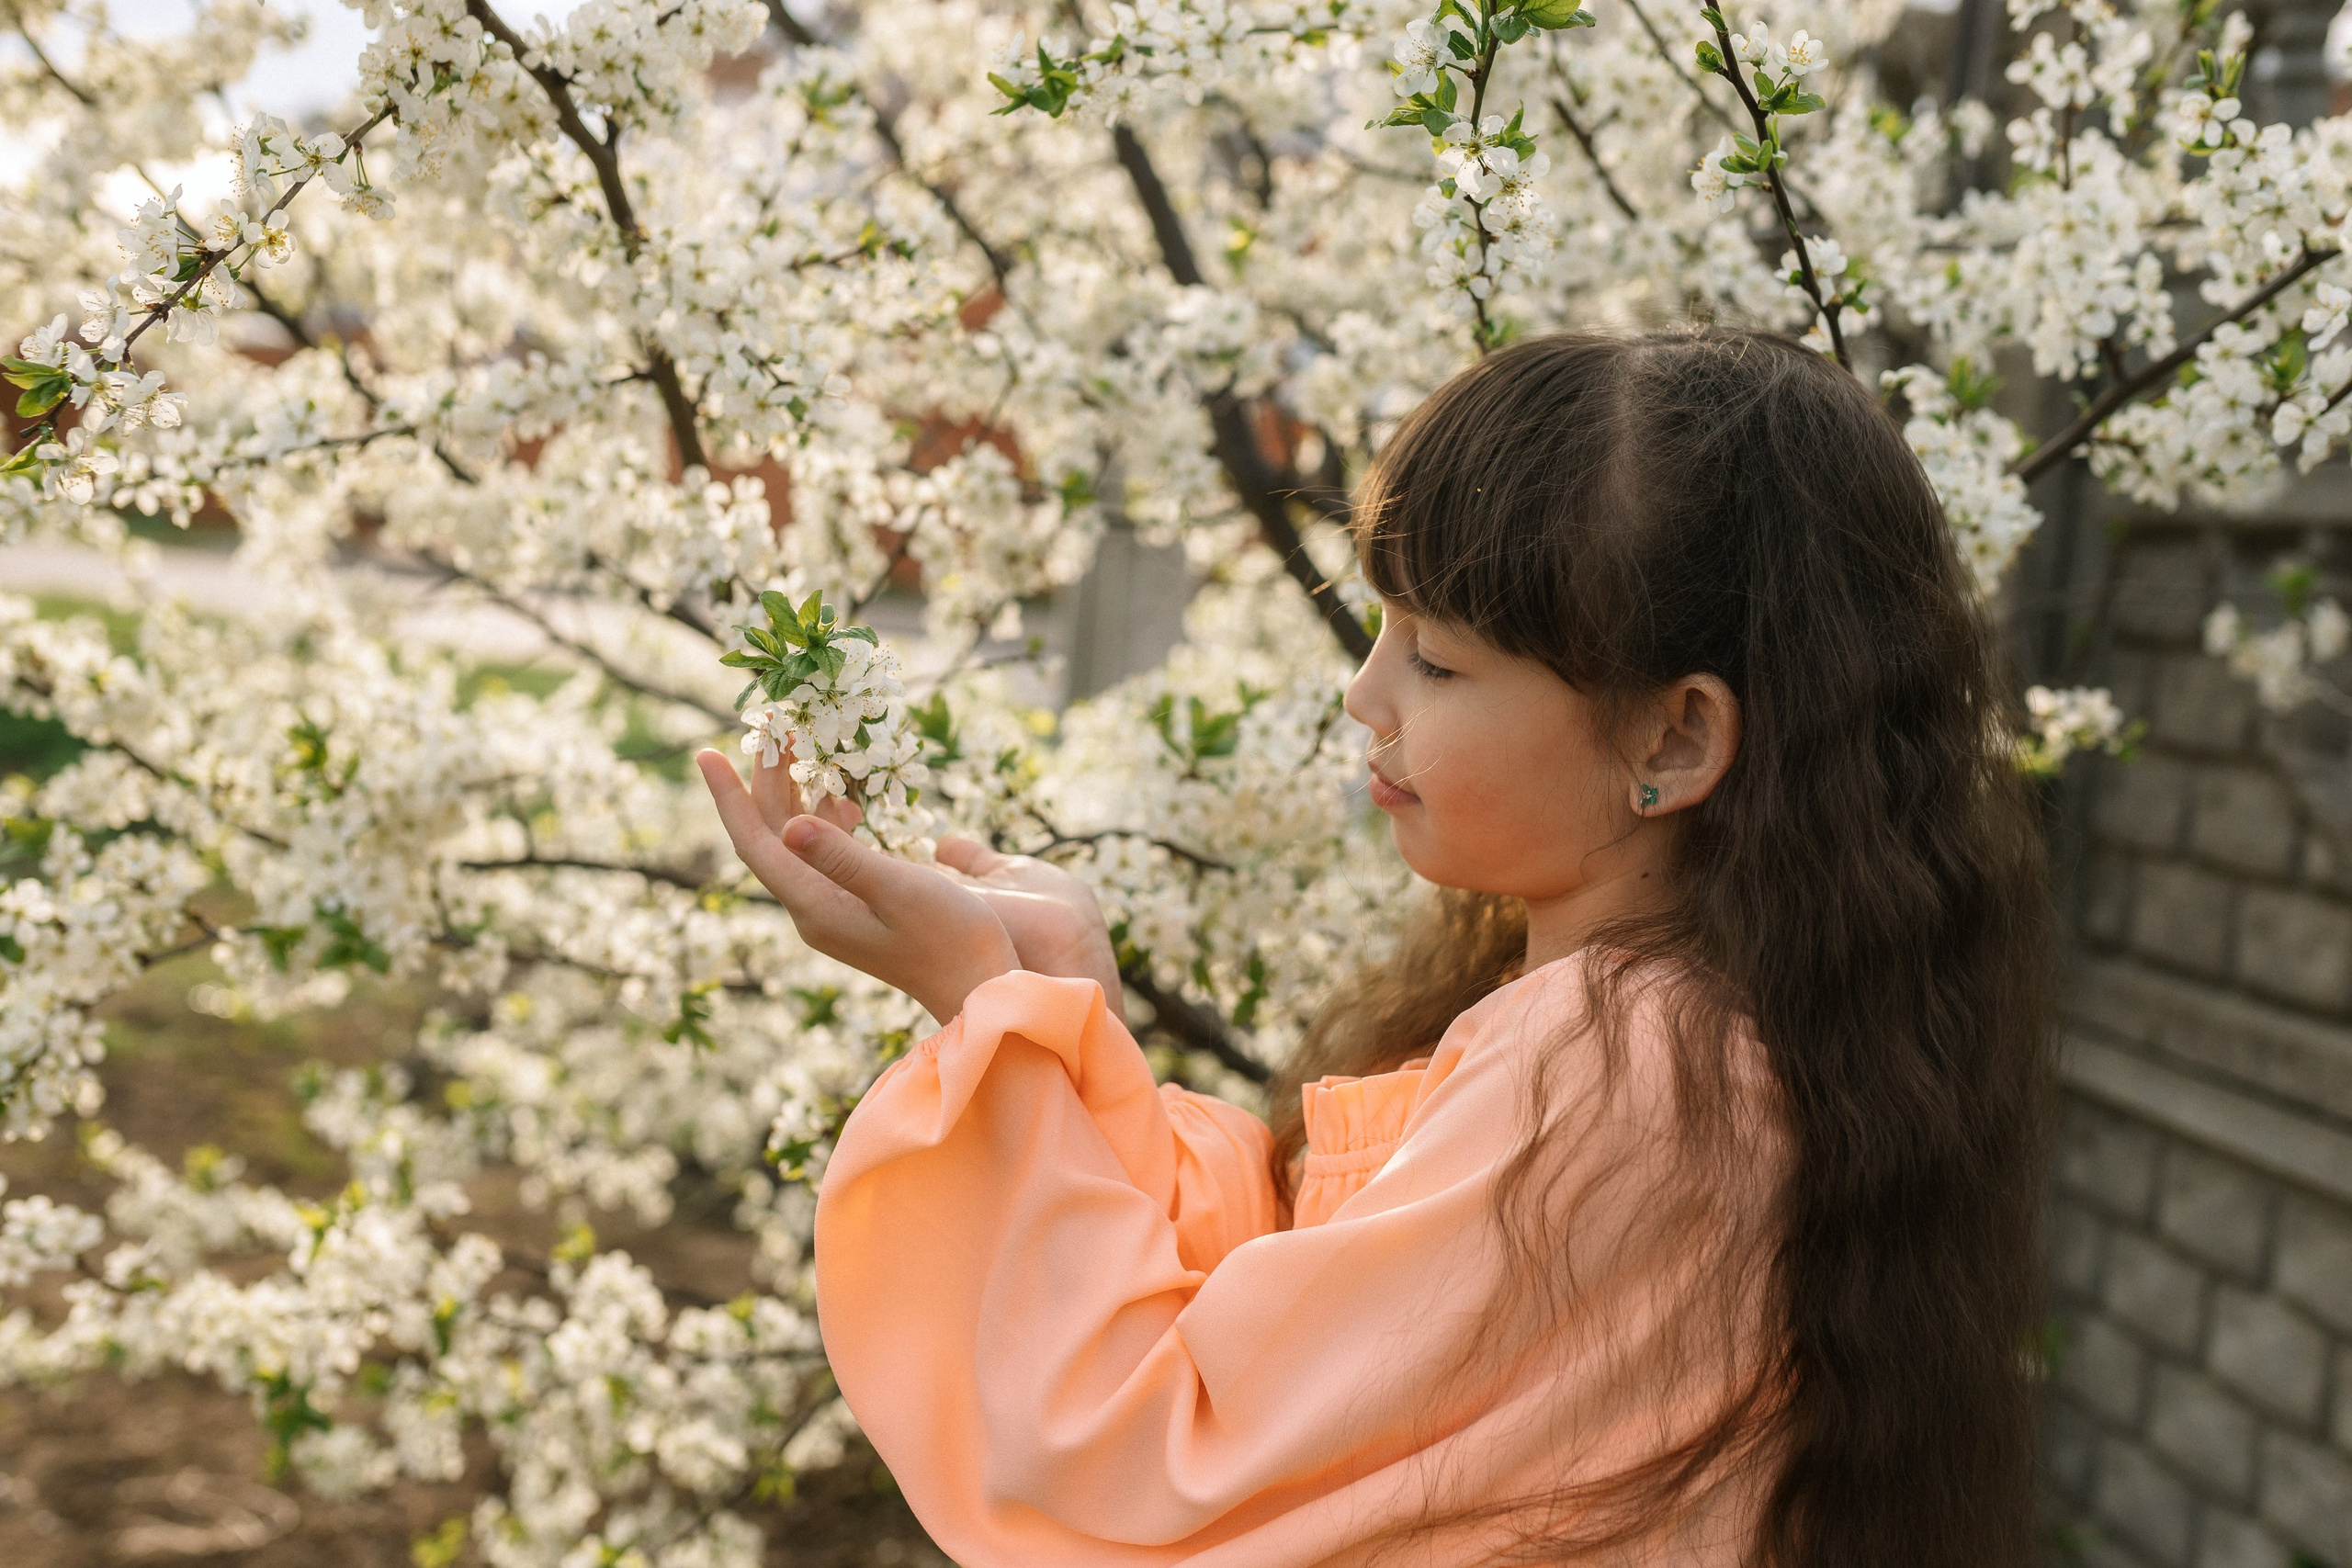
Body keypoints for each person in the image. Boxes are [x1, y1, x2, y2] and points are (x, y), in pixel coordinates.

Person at [696, 329, 2052, 1567]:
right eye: (1383, 630)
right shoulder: (1691, 1038)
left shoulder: (1610, 1070)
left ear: (1674, 738)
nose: (1366, 695)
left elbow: (1156, 1468)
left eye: (1440, 663)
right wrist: (1071, 1013)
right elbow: (1313, 1321)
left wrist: (988, 1014)